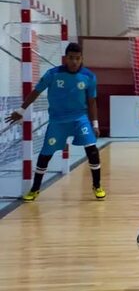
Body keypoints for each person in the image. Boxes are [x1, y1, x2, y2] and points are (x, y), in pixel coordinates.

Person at [4, 42, 105, 201]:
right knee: (45, 155)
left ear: (81, 59)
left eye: (77, 58)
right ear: (66, 58)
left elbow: (92, 101)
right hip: (58, 121)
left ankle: (97, 185)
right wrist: (21, 110)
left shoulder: (89, 77)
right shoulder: (52, 74)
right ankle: (35, 189)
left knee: (92, 149)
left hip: (80, 119)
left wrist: (95, 124)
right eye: (71, 58)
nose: (74, 62)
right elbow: (36, 92)